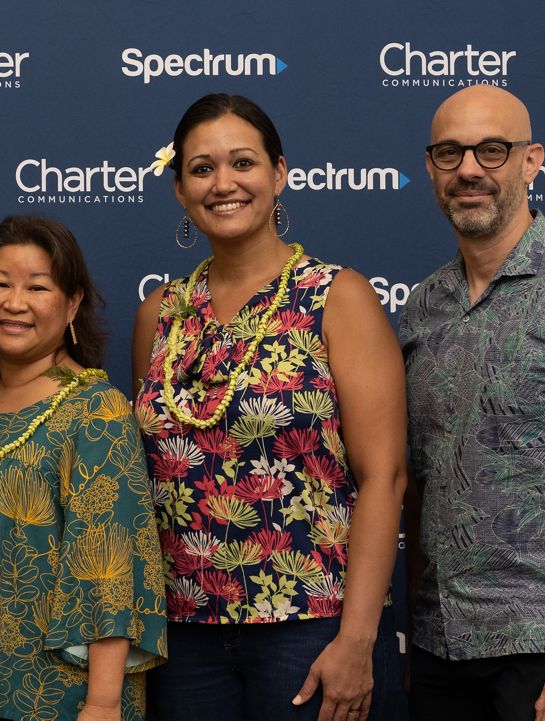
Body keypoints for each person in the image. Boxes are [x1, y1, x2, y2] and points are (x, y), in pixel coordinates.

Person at [131, 93, 407, 721]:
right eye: (201, 169)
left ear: (279, 174)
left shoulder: (337, 297)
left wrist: (358, 640)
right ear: (179, 189)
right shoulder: (160, 315)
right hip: (185, 636)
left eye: (242, 163)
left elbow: (384, 477)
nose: (223, 183)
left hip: (312, 627)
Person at [401, 85, 545, 721]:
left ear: (531, 161)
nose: (470, 170)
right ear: (431, 167)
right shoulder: (422, 308)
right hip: (439, 649)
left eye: (491, 150)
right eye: (449, 154)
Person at [0, 216, 168, 721]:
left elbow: (110, 568)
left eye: (37, 287)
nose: (14, 303)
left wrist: (103, 703)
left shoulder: (95, 410)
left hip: (62, 698)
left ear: (73, 303)